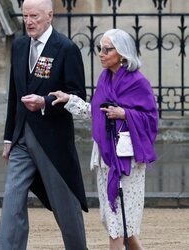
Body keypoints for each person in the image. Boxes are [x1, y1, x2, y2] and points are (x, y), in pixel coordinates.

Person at [49, 28, 158, 250]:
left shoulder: (138, 82)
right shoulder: (105, 79)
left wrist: (125, 114)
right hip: (105, 156)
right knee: (116, 220)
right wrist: (70, 100)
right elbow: (95, 112)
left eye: (107, 49)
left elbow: (151, 119)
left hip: (128, 160)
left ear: (122, 53)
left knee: (118, 223)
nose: (101, 53)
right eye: (100, 48)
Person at [0, 0, 88, 249]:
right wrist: (8, 138)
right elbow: (14, 95)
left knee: (65, 206)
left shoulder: (66, 48)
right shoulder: (19, 45)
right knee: (11, 201)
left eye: (34, 15)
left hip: (53, 142)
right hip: (21, 141)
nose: (29, 21)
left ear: (50, 15)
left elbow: (77, 95)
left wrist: (46, 101)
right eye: (25, 15)